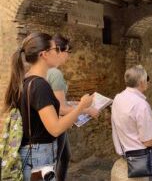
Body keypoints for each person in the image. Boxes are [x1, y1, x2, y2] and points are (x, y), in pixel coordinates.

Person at [3, 32, 93, 180]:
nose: (58, 52)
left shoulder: (26, 82)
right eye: (55, 49)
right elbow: (55, 128)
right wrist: (81, 106)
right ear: (44, 54)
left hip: (33, 154)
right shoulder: (40, 85)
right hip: (39, 158)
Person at [111, 65, 152, 181]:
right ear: (142, 82)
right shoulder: (141, 105)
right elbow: (148, 142)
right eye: (147, 79)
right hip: (143, 154)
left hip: (125, 150)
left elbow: (130, 120)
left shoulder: (118, 98)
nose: (148, 82)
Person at [47, 34, 99, 181]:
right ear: (58, 50)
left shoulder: (43, 71)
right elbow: (61, 109)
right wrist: (86, 109)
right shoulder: (55, 73)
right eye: (68, 52)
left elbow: (55, 101)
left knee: (64, 157)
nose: (68, 56)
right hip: (56, 124)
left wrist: (75, 103)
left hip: (48, 123)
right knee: (56, 162)